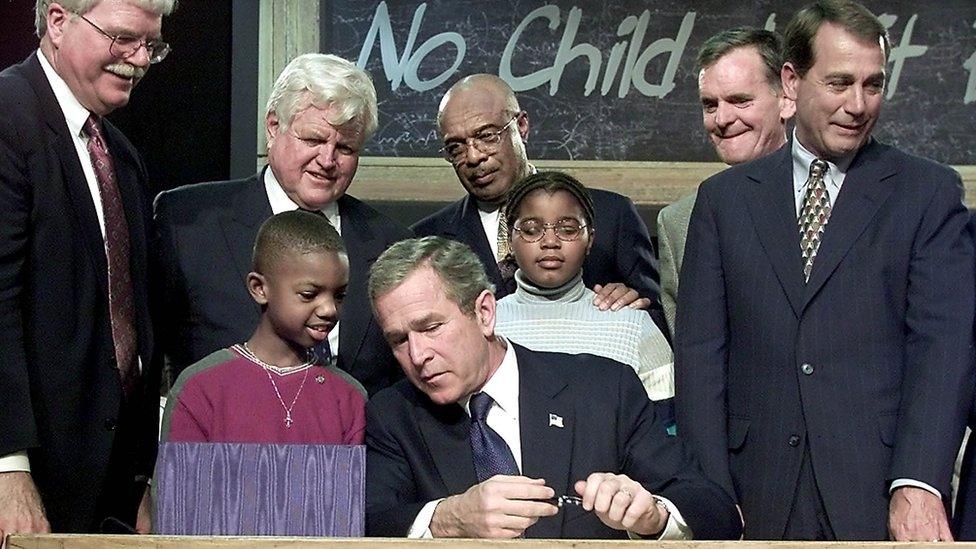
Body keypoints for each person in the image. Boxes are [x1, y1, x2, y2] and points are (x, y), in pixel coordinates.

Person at [675, 0, 975, 541]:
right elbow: (700, 359)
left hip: (878, 491)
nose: (858, 105)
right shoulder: (723, 202)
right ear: (792, 82)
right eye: (839, 83)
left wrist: (918, 482)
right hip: (754, 492)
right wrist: (710, 493)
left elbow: (944, 346)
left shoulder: (926, 194)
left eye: (873, 85)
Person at [364, 236, 741, 540]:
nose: (417, 355)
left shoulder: (605, 390)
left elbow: (713, 510)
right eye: (399, 340)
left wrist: (653, 516)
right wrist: (447, 519)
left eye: (431, 328)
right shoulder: (393, 415)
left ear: (484, 312)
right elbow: (367, 523)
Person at [0, 0, 175, 535]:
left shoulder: (117, 153)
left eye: (152, 45)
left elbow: (134, 322)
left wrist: (141, 476)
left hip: (109, 486)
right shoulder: (7, 115)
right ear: (58, 21)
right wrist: (8, 467)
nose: (140, 59)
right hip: (29, 476)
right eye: (124, 38)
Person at [154, 53, 411, 397]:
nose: (328, 160)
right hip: (223, 446)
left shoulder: (391, 245)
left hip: (354, 448)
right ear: (274, 126)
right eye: (314, 140)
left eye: (346, 147)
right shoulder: (187, 223)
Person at [411, 74, 663, 325]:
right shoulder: (426, 242)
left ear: (521, 126)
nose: (474, 156)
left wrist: (631, 304)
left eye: (487, 136)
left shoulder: (611, 215)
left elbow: (661, 321)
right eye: (456, 147)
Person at [160, 211, 365, 444]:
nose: (329, 309)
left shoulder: (349, 397)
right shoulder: (200, 387)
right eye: (309, 295)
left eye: (339, 296)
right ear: (259, 288)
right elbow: (176, 480)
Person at [493, 171, 674, 419]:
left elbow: (666, 430)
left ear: (590, 240)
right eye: (532, 230)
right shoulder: (487, 326)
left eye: (567, 229)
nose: (549, 242)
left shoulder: (632, 325)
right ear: (510, 241)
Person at [656, 27, 793, 337]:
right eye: (710, 105)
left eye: (739, 100)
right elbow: (691, 352)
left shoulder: (831, 197)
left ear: (787, 99)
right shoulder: (678, 223)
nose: (721, 119)